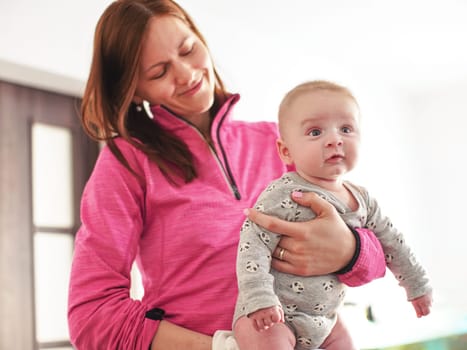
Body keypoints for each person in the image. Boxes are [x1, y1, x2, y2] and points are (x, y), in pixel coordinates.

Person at [67, 2, 387, 349]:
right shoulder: (127, 163)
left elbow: (377, 257)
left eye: (188, 49)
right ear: (135, 89)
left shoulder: (277, 143)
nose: (187, 74)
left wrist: (351, 250)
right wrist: (224, 347)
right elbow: (92, 316)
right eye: (159, 72)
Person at [233, 80, 433, 350]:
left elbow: (393, 242)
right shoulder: (284, 193)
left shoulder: (363, 200)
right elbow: (252, 242)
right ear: (286, 151)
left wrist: (417, 284)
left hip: (326, 320)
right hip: (272, 314)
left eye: (346, 129)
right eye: (315, 132)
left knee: (347, 342)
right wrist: (259, 297)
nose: (335, 139)